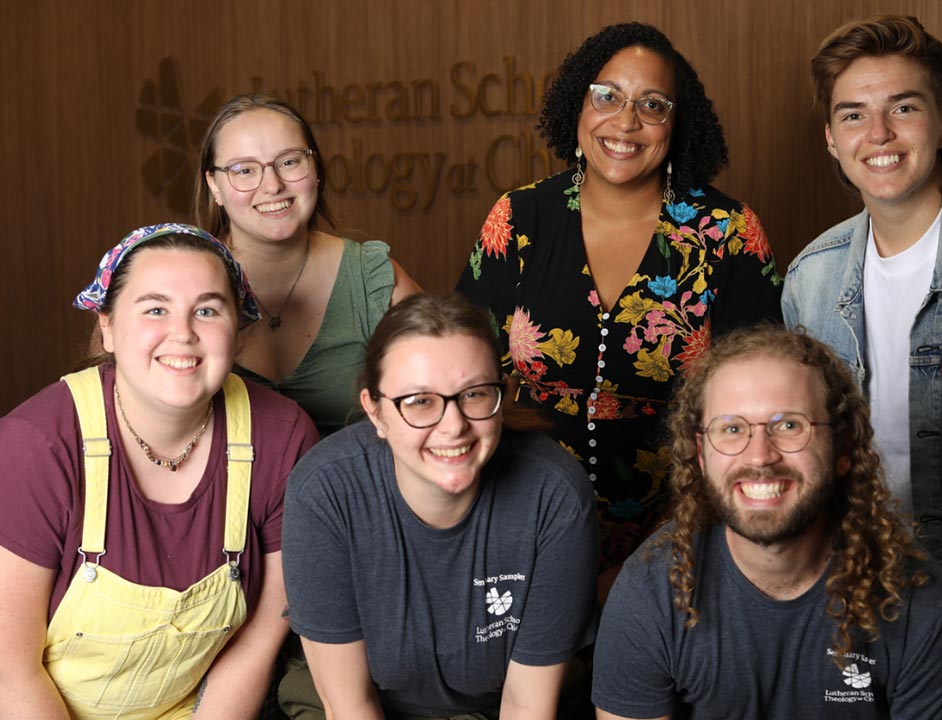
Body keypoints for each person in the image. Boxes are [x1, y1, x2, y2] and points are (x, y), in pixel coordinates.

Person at [455, 22, 783, 595]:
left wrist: (674, 539)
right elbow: (460, 371)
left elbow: (761, 402)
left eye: (651, 105)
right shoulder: (520, 217)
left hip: (680, 534)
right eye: (607, 95)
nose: (625, 122)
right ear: (578, 102)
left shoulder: (728, 232)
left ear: (677, 124)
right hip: (520, 519)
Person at [781, 16, 942, 715]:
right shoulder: (810, 280)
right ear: (831, 138)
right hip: (860, 625)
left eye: (902, 108)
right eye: (853, 114)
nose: (877, 134)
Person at [0, 223, 319, 719]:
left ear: (238, 331)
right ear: (106, 325)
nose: (183, 333)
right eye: (155, 308)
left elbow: (258, 640)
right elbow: (9, 670)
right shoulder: (36, 445)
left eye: (208, 310)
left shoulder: (281, 437)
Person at [590, 325, 942, 719]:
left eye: (790, 425)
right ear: (702, 454)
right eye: (732, 429)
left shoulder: (919, 601)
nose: (760, 456)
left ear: (843, 448)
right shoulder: (651, 588)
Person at [281, 294, 598, 720]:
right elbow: (349, 704)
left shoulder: (554, 495)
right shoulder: (323, 492)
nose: (453, 427)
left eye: (474, 394)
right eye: (419, 401)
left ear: (502, 396)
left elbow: (527, 705)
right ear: (374, 411)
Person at [195, 93, 420, 437]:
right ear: (215, 185)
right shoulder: (172, 282)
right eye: (244, 170)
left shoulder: (371, 279)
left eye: (289, 162)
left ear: (315, 170)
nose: (272, 186)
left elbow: (444, 392)